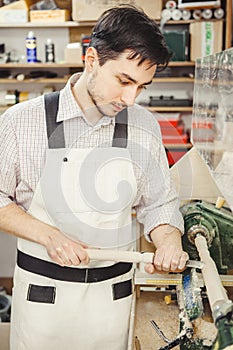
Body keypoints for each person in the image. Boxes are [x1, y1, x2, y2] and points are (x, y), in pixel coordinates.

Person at [0, 5, 188, 350]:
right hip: (44, 301)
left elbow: (158, 204)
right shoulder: (20, 122)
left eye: (142, 87)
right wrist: (49, 236)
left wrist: (169, 241)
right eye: (124, 80)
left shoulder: (144, 127)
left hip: (111, 302)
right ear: (92, 59)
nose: (130, 98)